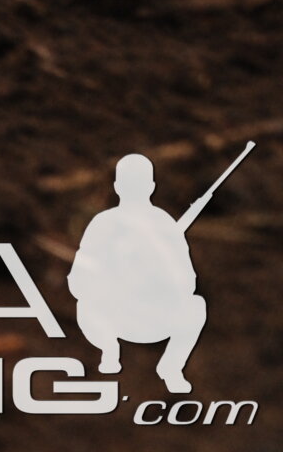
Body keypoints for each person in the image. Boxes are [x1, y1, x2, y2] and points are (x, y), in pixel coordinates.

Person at [71, 149, 221, 394]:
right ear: (151, 186)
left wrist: (157, 275)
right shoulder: (105, 224)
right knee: (86, 305)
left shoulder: (163, 224)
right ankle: (110, 352)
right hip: (113, 317)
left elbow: (188, 282)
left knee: (196, 306)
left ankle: (171, 366)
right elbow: (79, 280)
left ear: (117, 186)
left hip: (154, 317)